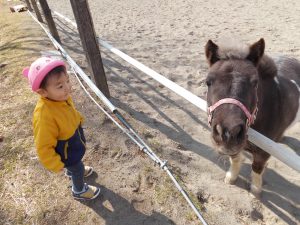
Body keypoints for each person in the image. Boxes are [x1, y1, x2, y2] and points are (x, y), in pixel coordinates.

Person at [23, 56, 100, 200]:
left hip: (73, 138)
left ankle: (72, 170)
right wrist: (54, 163)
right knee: (76, 165)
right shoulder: (44, 115)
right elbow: (43, 145)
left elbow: (70, 110)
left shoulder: (61, 98)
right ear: (42, 92)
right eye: (60, 86)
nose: (68, 88)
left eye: (68, 81)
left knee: (76, 162)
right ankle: (79, 190)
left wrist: (78, 118)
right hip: (64, 148)